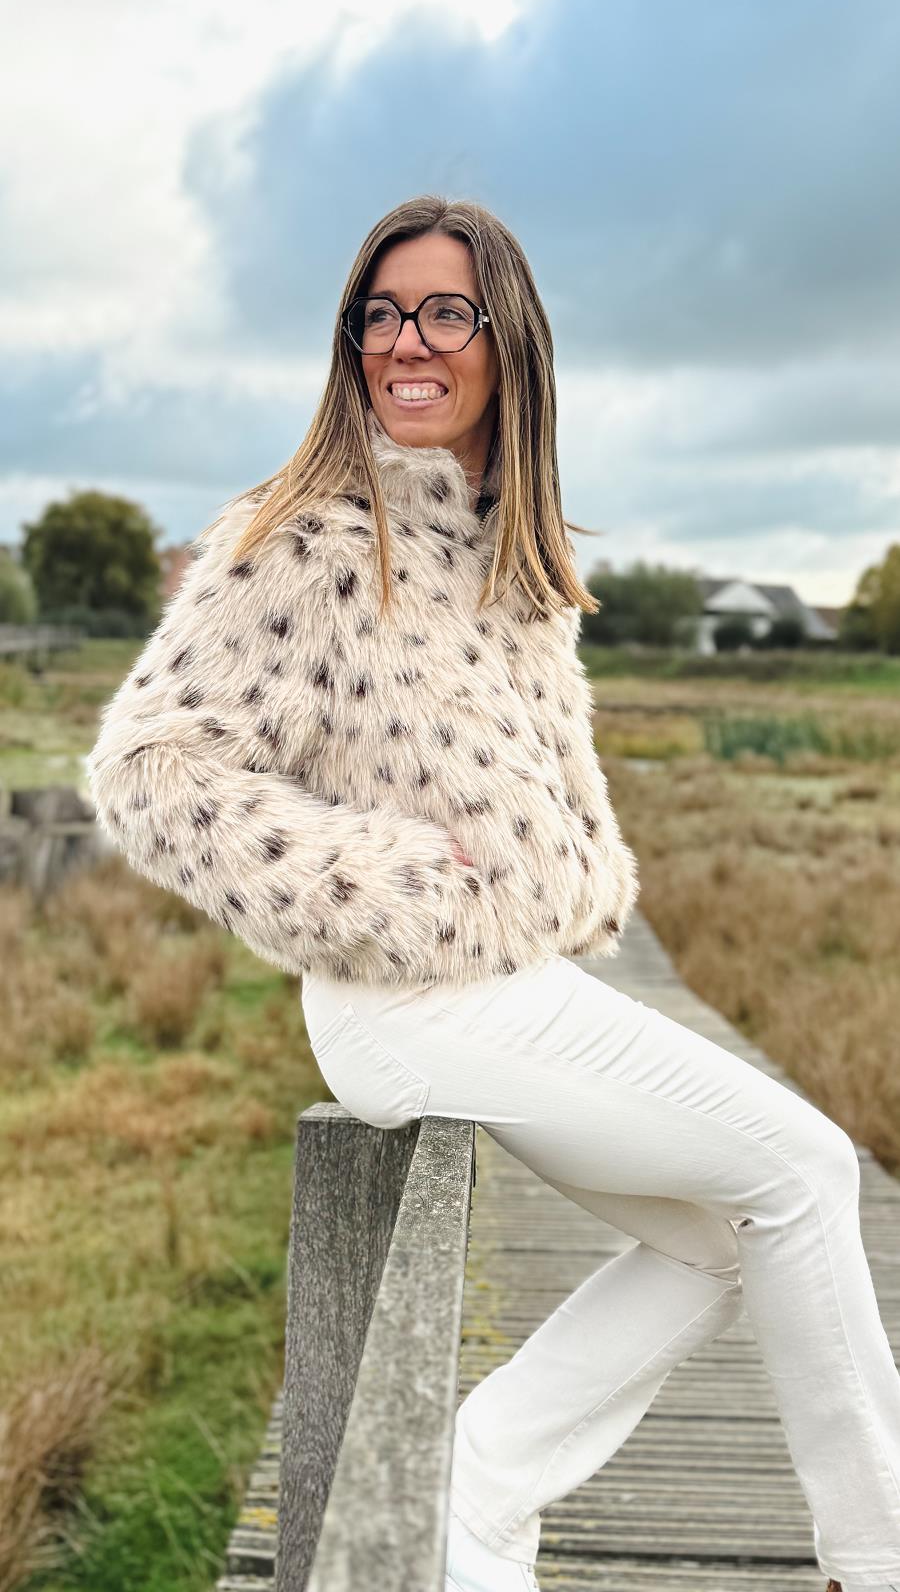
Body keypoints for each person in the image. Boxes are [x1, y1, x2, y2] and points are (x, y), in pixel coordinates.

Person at [86, 196, 900, 1592]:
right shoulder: (302, 536)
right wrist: (384, 877)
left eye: (445, 312)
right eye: (382, 314)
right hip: (409, 997)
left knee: (721, 1236)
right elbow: (147, 771)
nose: (408, 342)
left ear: (506, 339)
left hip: (508, 985)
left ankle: (478, 1492)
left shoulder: (511, 555)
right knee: (811, 1170)